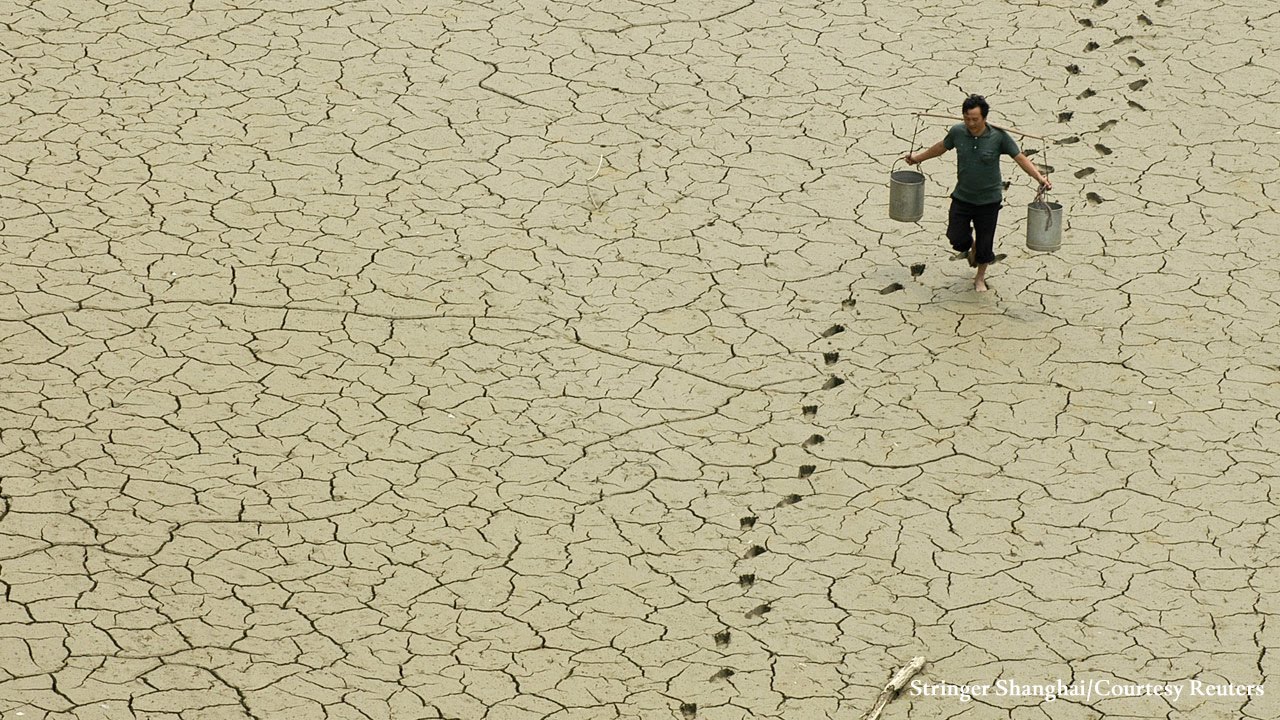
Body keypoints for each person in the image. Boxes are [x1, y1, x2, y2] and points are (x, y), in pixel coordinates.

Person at [903, 95, 1052, 292]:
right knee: (956, 238)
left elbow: (1020, 158)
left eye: (975, 119)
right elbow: (941, 147)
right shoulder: (957, 132)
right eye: (967, 118)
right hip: (963, 197)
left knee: (985, 245)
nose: (971, 123)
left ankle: (979, 278)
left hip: (989, 201)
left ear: (984, 118)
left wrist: (1040, 178)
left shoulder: (998, 137)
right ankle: (970, 246)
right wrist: (917, 158)